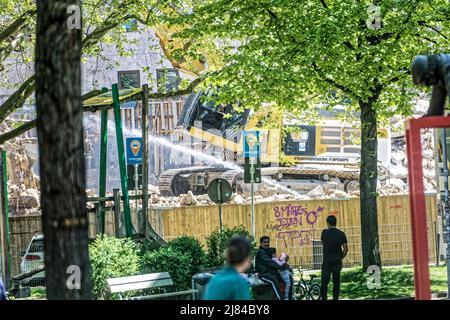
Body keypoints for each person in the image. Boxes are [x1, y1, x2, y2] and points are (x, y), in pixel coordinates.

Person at [319, 215, 348, 300]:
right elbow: (345, 249)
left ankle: (324, 297)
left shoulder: (324, 233)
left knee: (324, 282)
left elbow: (323, 243)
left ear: (328, 223)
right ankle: (335, 298)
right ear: (336, 223)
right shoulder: (341, 234)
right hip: (337, 261)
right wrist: (340, 257)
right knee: (336, 282)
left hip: (327, 260)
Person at [255, 236, 287, 300]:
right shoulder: (261, 253)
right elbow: (270, 262)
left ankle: (284, 297)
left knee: (282, 281)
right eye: (265, 242)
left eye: (268, 242)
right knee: (274, 281)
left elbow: (274, 259)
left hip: (269, 272)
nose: (267, 244)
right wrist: (281, 267)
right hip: (263, 273)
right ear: (261, 243)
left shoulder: (267, 251)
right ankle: (280, 298)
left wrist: (283, 263)